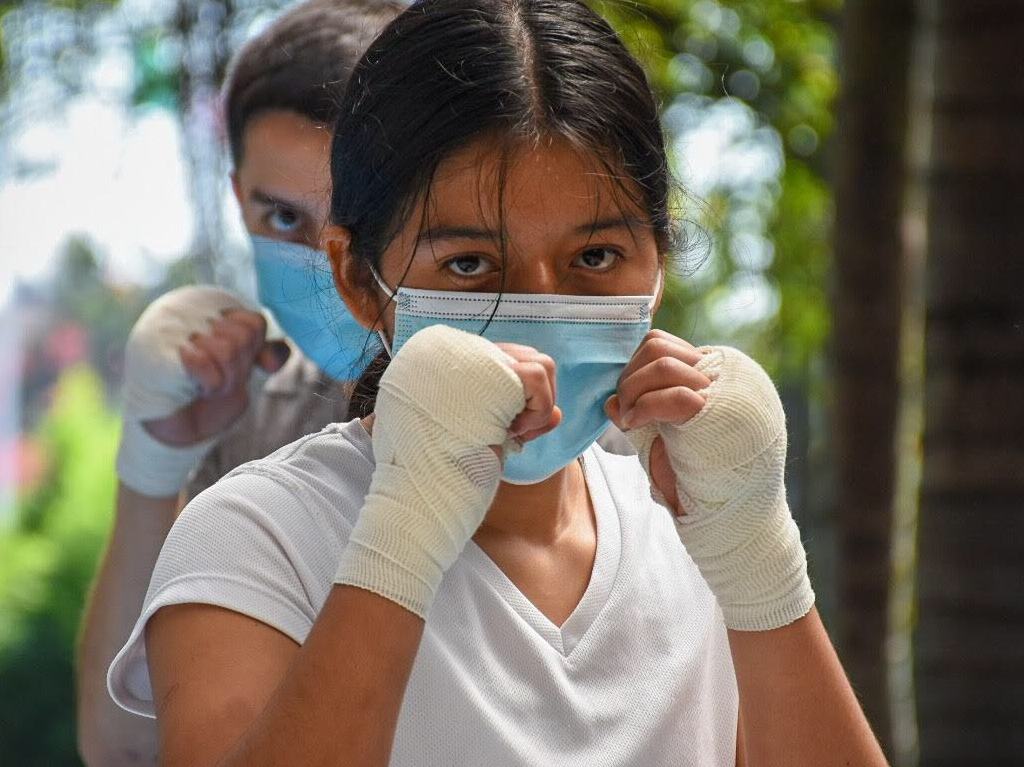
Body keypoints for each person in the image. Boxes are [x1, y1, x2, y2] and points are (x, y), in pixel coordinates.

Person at [108, 0, 890, 765]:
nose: (538, 306)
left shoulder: (696, 536)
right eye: (470, 265)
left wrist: (760, 559)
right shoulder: (256, 537)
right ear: (357, 278)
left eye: (594, 258)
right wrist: (402, 539)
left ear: (657, 266)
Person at [75, 2, 402, 764]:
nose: (327, 261)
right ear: (237, 199)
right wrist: (153, 459)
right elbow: (122, 748)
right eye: (282, 217)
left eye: (356, 215)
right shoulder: (246, 419)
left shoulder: (575, 414)